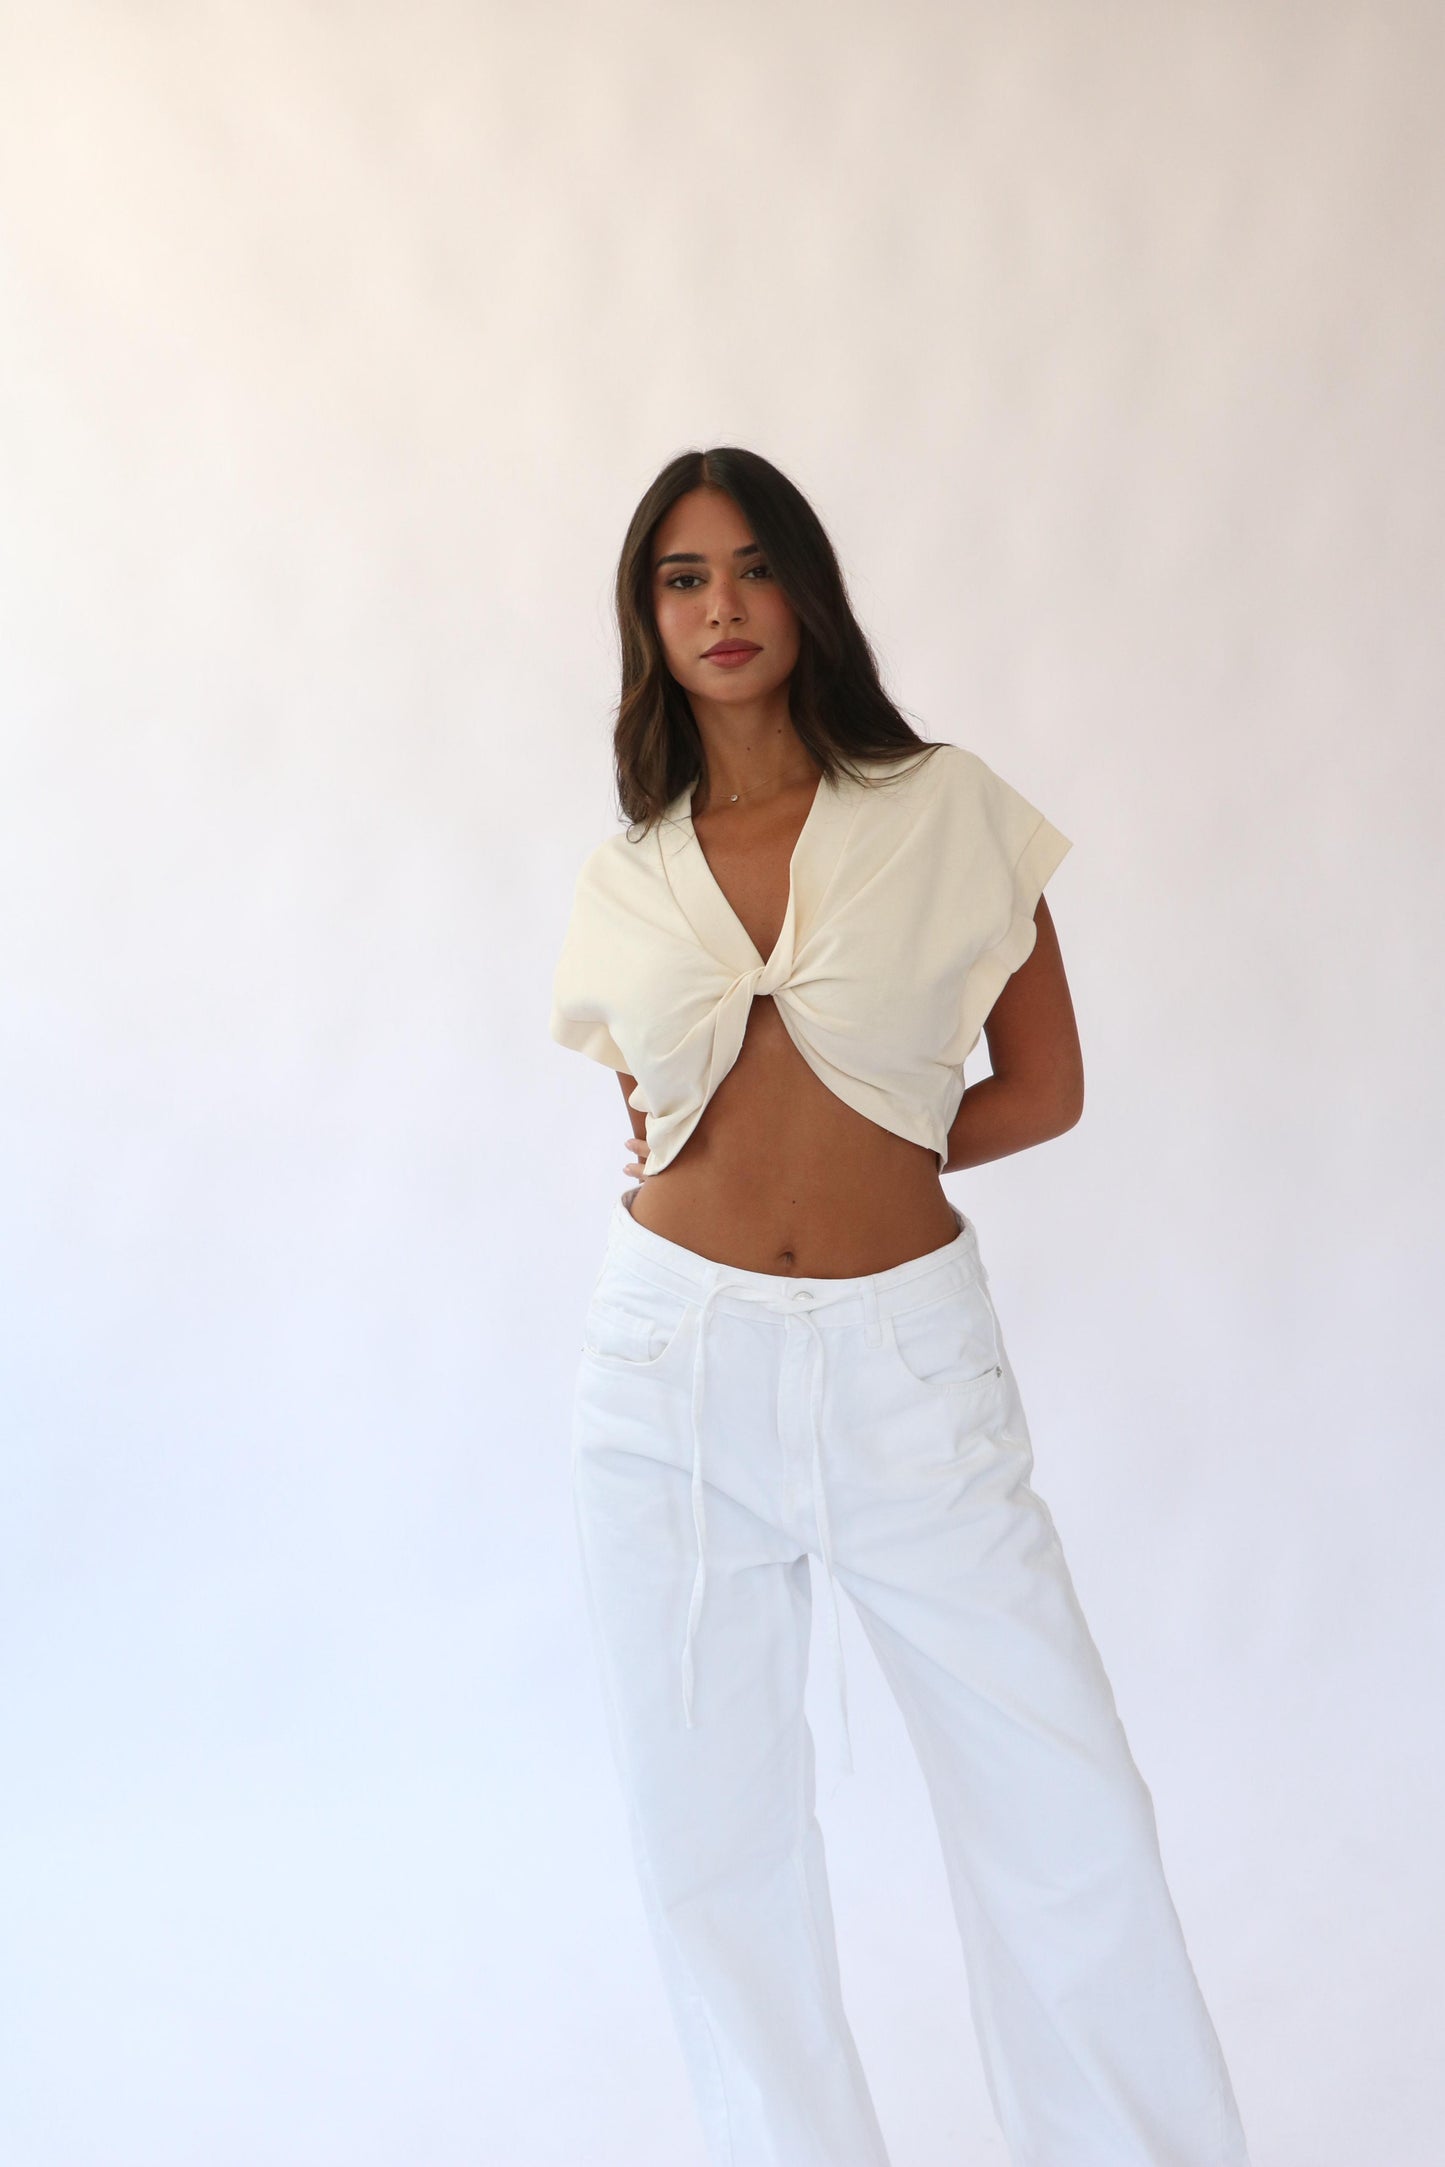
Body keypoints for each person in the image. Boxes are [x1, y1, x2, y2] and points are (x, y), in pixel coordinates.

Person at [549, 445, 1251, 2167]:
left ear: (805, 590)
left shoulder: (943, 809)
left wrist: (875, 1142)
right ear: (647, 619)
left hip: (906, 1367)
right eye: (680, 578)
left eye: (750, 567)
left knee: (1066, 1811)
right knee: (712, 1845)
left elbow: (1044, 1085)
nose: (721, 606)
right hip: (668, 1371)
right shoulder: (635, 867)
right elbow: (648, 1109)